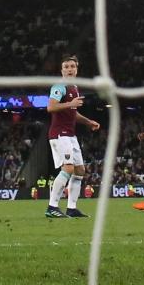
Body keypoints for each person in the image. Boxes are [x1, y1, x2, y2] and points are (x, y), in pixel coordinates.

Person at [45, 54, 100, 218]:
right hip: (59, 134)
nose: (69, 69)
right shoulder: (59, 87)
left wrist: (88, 121)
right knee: (68, 168)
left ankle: (71, 208)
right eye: (66, 67)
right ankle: (52, 207)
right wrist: (71, 103)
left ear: (77, 69)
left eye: (72, 67)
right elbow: (51, 107)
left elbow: (72, 113)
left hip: (70, 135)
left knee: (80, 170)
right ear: (61, 70)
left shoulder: (74, 87)